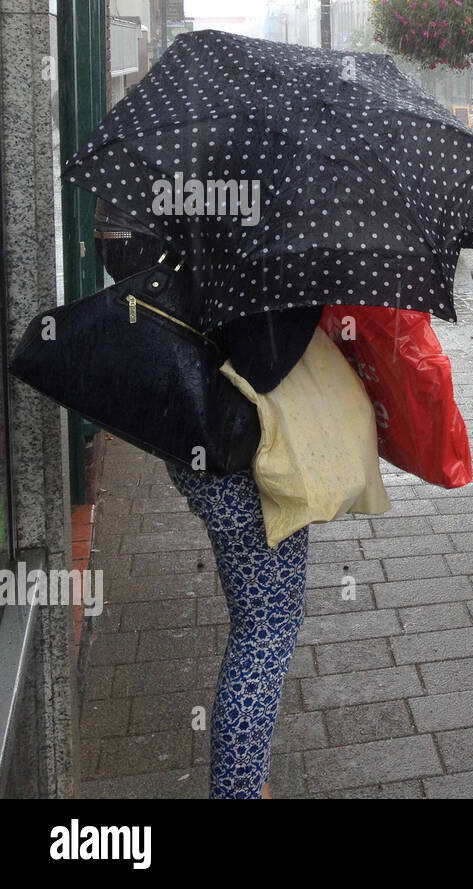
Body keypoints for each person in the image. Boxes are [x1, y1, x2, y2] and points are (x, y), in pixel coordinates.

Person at [97, 221, 321, 800]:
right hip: (240, 456)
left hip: (195, 440)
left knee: (257, 621)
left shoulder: (176, 208)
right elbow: (266, 360)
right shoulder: (250, 230)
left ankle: (251, 782)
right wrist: (309, 293)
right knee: (266, 629)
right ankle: (241, 791)